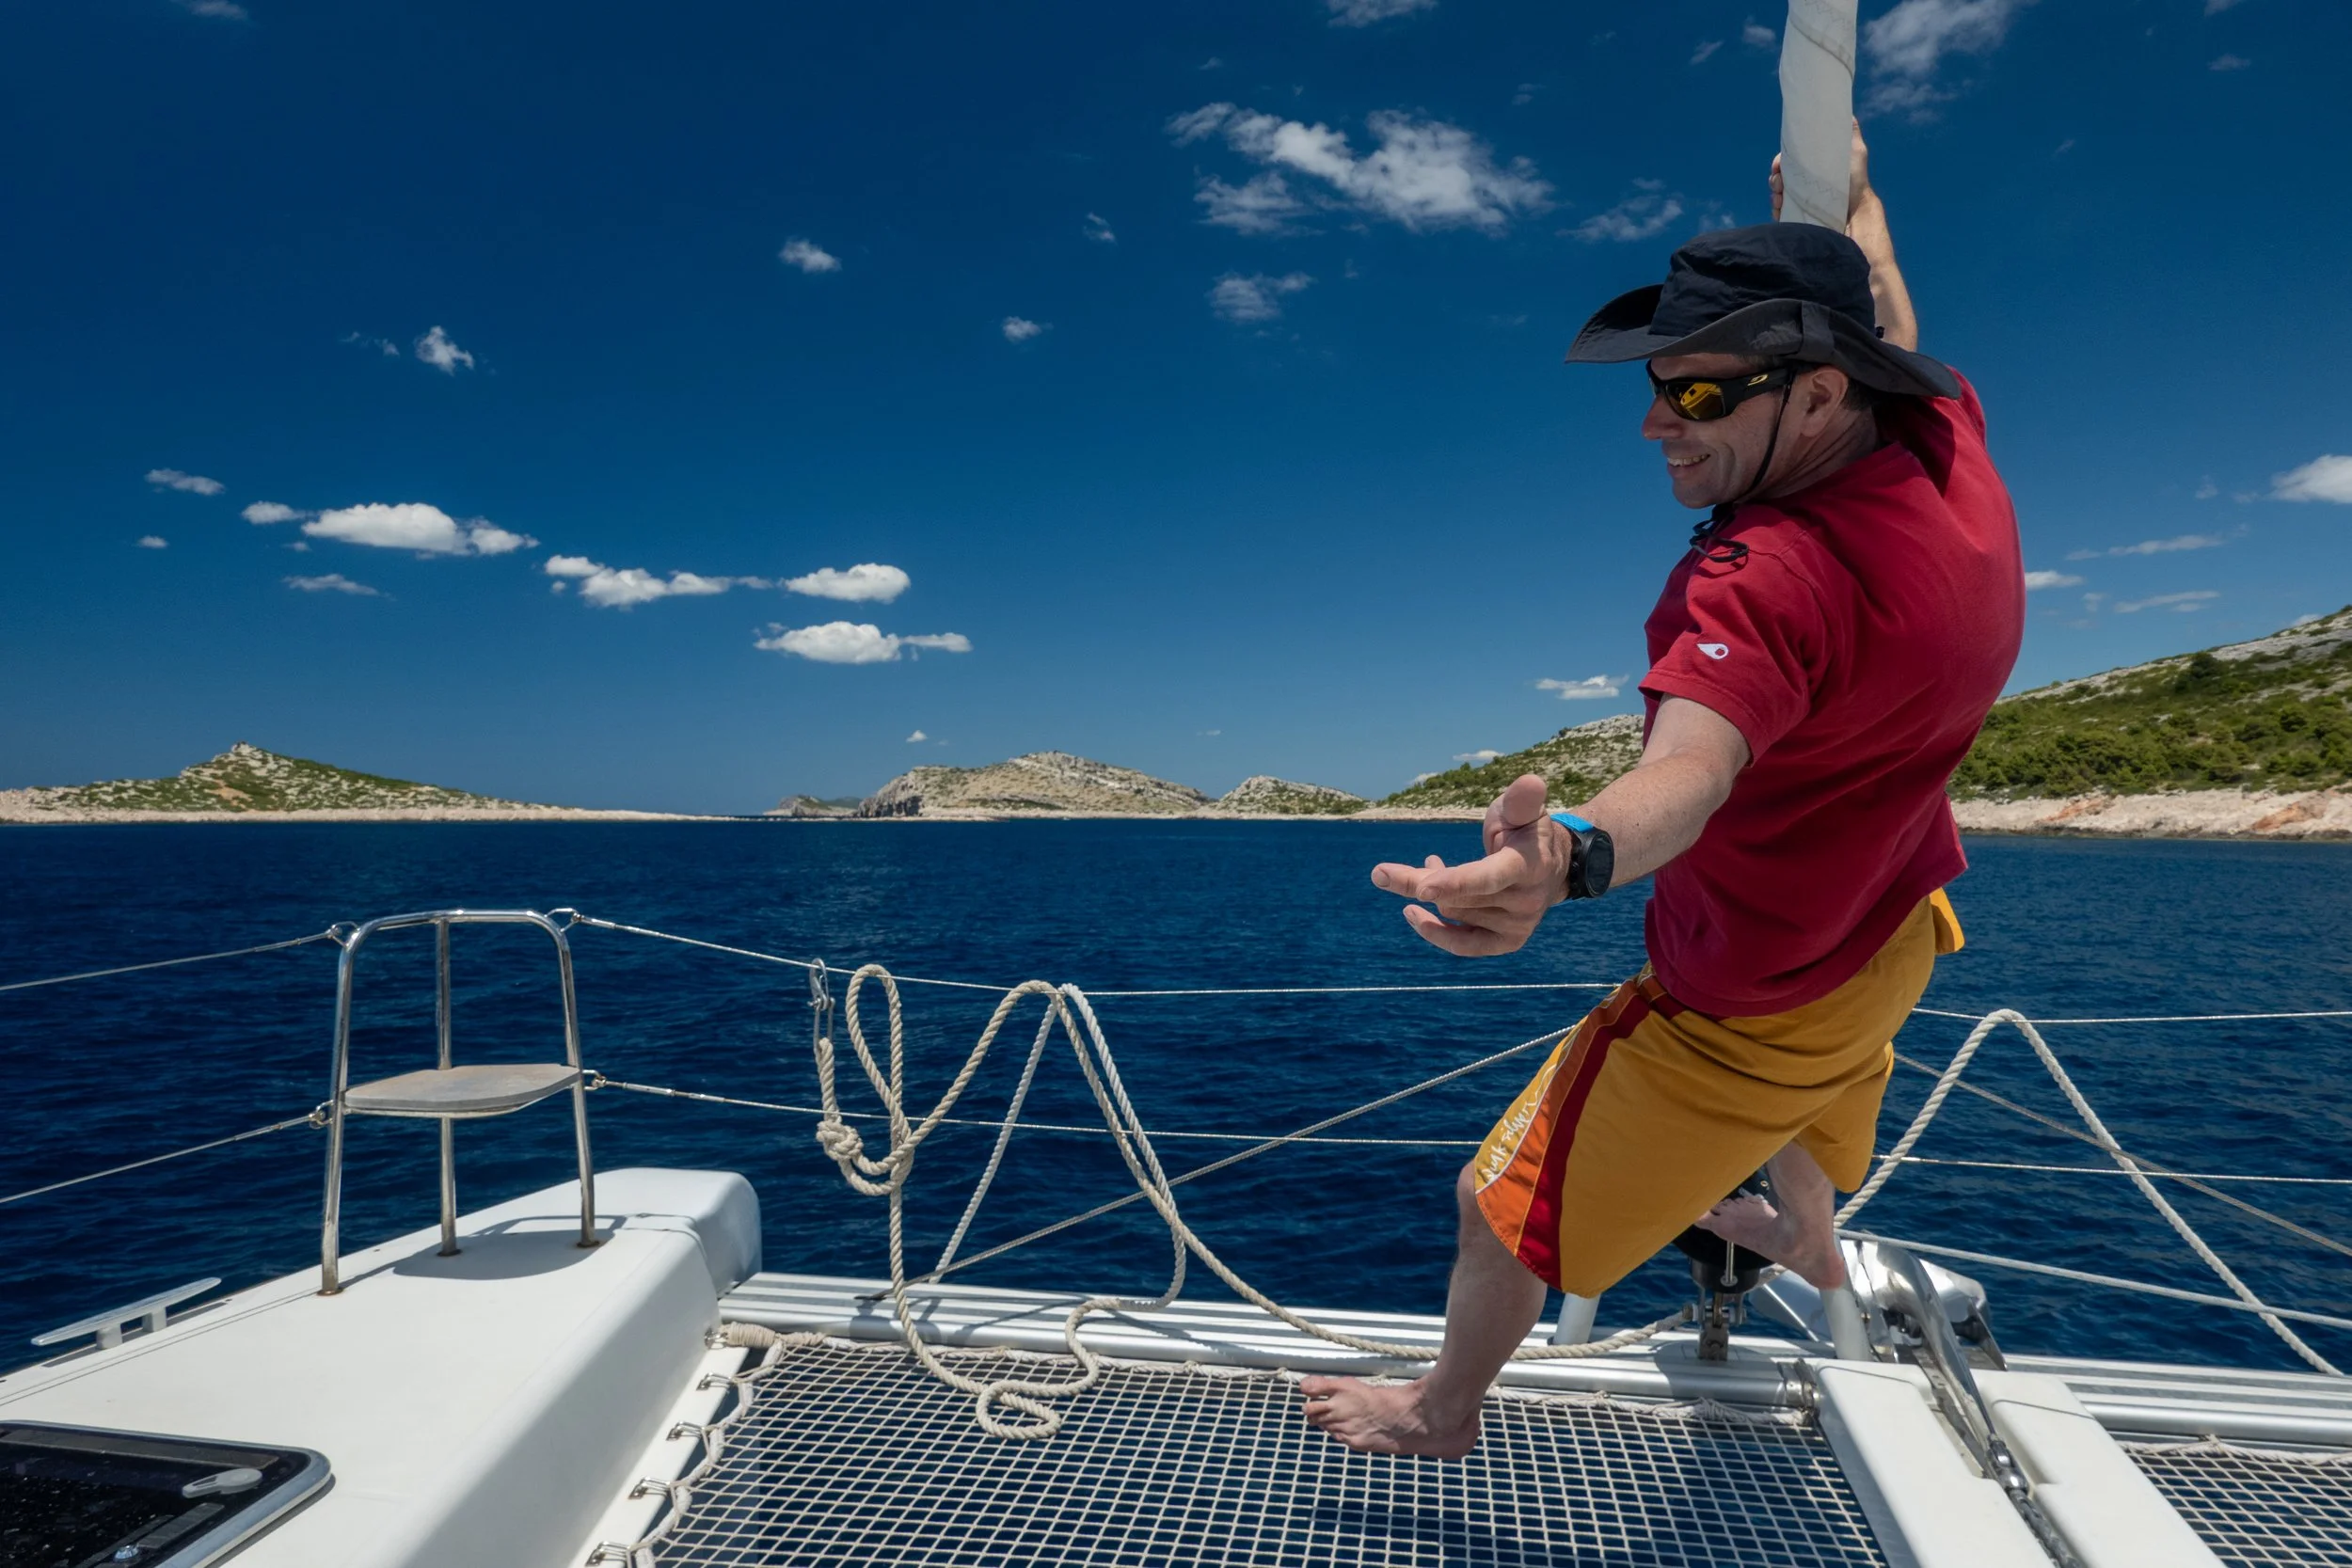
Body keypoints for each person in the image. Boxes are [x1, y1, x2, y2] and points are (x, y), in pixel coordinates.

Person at [1301, 131, 2024, 1458]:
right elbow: (1889, 312)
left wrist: (1567, 855)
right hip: (1897, 928)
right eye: (1655, 388)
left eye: (1695, 395)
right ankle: (1806, 1231)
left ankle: (1441, 1409)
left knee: (1494, 1205)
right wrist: (1855, 201)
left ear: (1818, 395)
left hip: (1753, 993)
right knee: (1820, 1094)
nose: (1652, 424)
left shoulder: (1763, 580)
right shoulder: (1941, 437)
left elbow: (1689, 768)